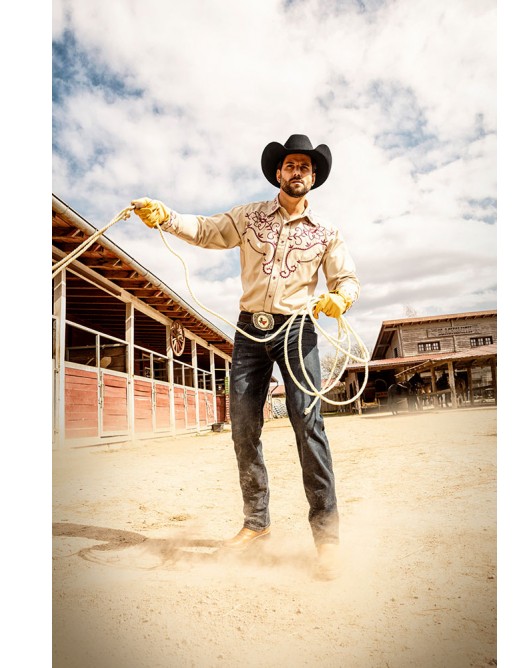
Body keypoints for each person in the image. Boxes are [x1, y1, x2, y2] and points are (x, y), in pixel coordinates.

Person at [132, 134, 360, 580]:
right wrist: (165, 217)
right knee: (243, 424)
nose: (297, 172)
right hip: (249, 330)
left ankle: (327, 539)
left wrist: (341, 298)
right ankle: (257, 525)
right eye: (291, 165)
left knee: (307, 424)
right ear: (279, 173)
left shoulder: (328, 235)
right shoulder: (248, 216)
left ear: (314, 179)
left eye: (305, 168)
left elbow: (346, 278)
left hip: (298, 330)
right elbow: (205, 230)